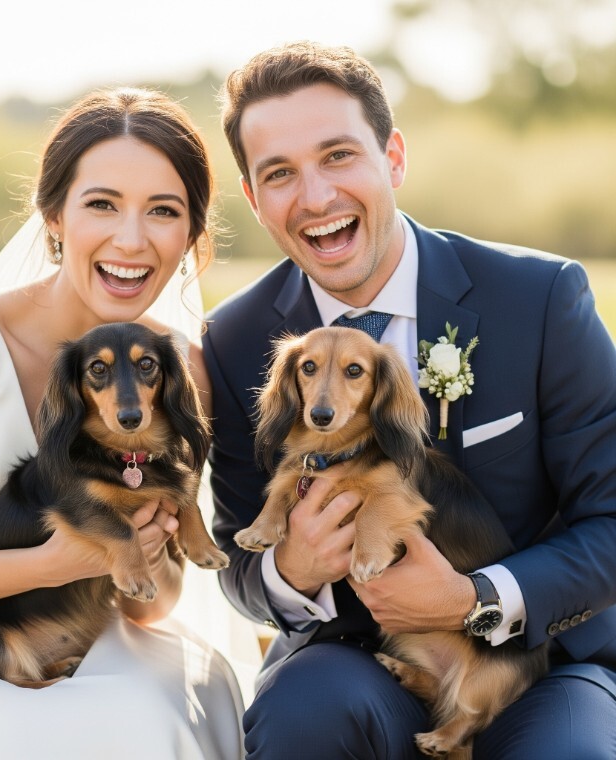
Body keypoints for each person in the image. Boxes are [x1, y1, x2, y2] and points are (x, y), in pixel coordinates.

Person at [203, 40, 616, 758]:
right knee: (298, 716)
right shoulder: (233, 340)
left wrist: (475, 599)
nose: (316, 197)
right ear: (255, 199)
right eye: (280, 174)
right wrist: (290, 569)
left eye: (338, 156)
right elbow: (236, 561)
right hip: (350, 657)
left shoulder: (540, 298)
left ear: (393, 157)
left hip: (537, 662)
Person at [0, 86, 247, 760]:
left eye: (163, 210)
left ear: (191, 235)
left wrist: (150, 551)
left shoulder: (177, 368)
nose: (131, 238)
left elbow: (153, 605)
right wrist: (53, 562)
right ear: (53, 215)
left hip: (91, 630)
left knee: (164, 708)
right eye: (102, 204)